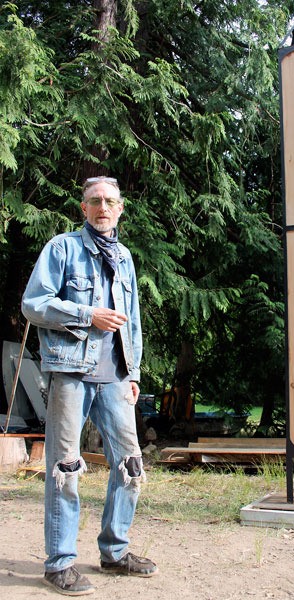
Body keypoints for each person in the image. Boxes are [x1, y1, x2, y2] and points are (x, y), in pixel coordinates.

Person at [22, 176, 158, 596]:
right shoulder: (62, 248)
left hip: (116, 377)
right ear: (84, 208)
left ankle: (114, 552)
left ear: (120, 209)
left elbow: (130, 319)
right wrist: (87, 314)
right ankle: (59, 564)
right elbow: (34, 303)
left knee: (131, 466)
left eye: (110, 201)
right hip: (69, 375)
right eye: (95, 200)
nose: (102, 207)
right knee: (65, 470)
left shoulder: (125, 257)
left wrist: (133, 373)